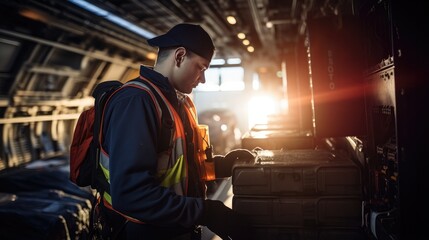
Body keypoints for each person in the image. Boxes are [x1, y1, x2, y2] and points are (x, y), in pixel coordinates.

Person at [96, 23, 253, 240]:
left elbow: (178, 170)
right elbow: (131, 194)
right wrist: (205, 212)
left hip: (176, 230)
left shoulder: (179, 102)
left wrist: (221, 166)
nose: (203, 79)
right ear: (179, 57)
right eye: (201, 67)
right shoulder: (137, 102)